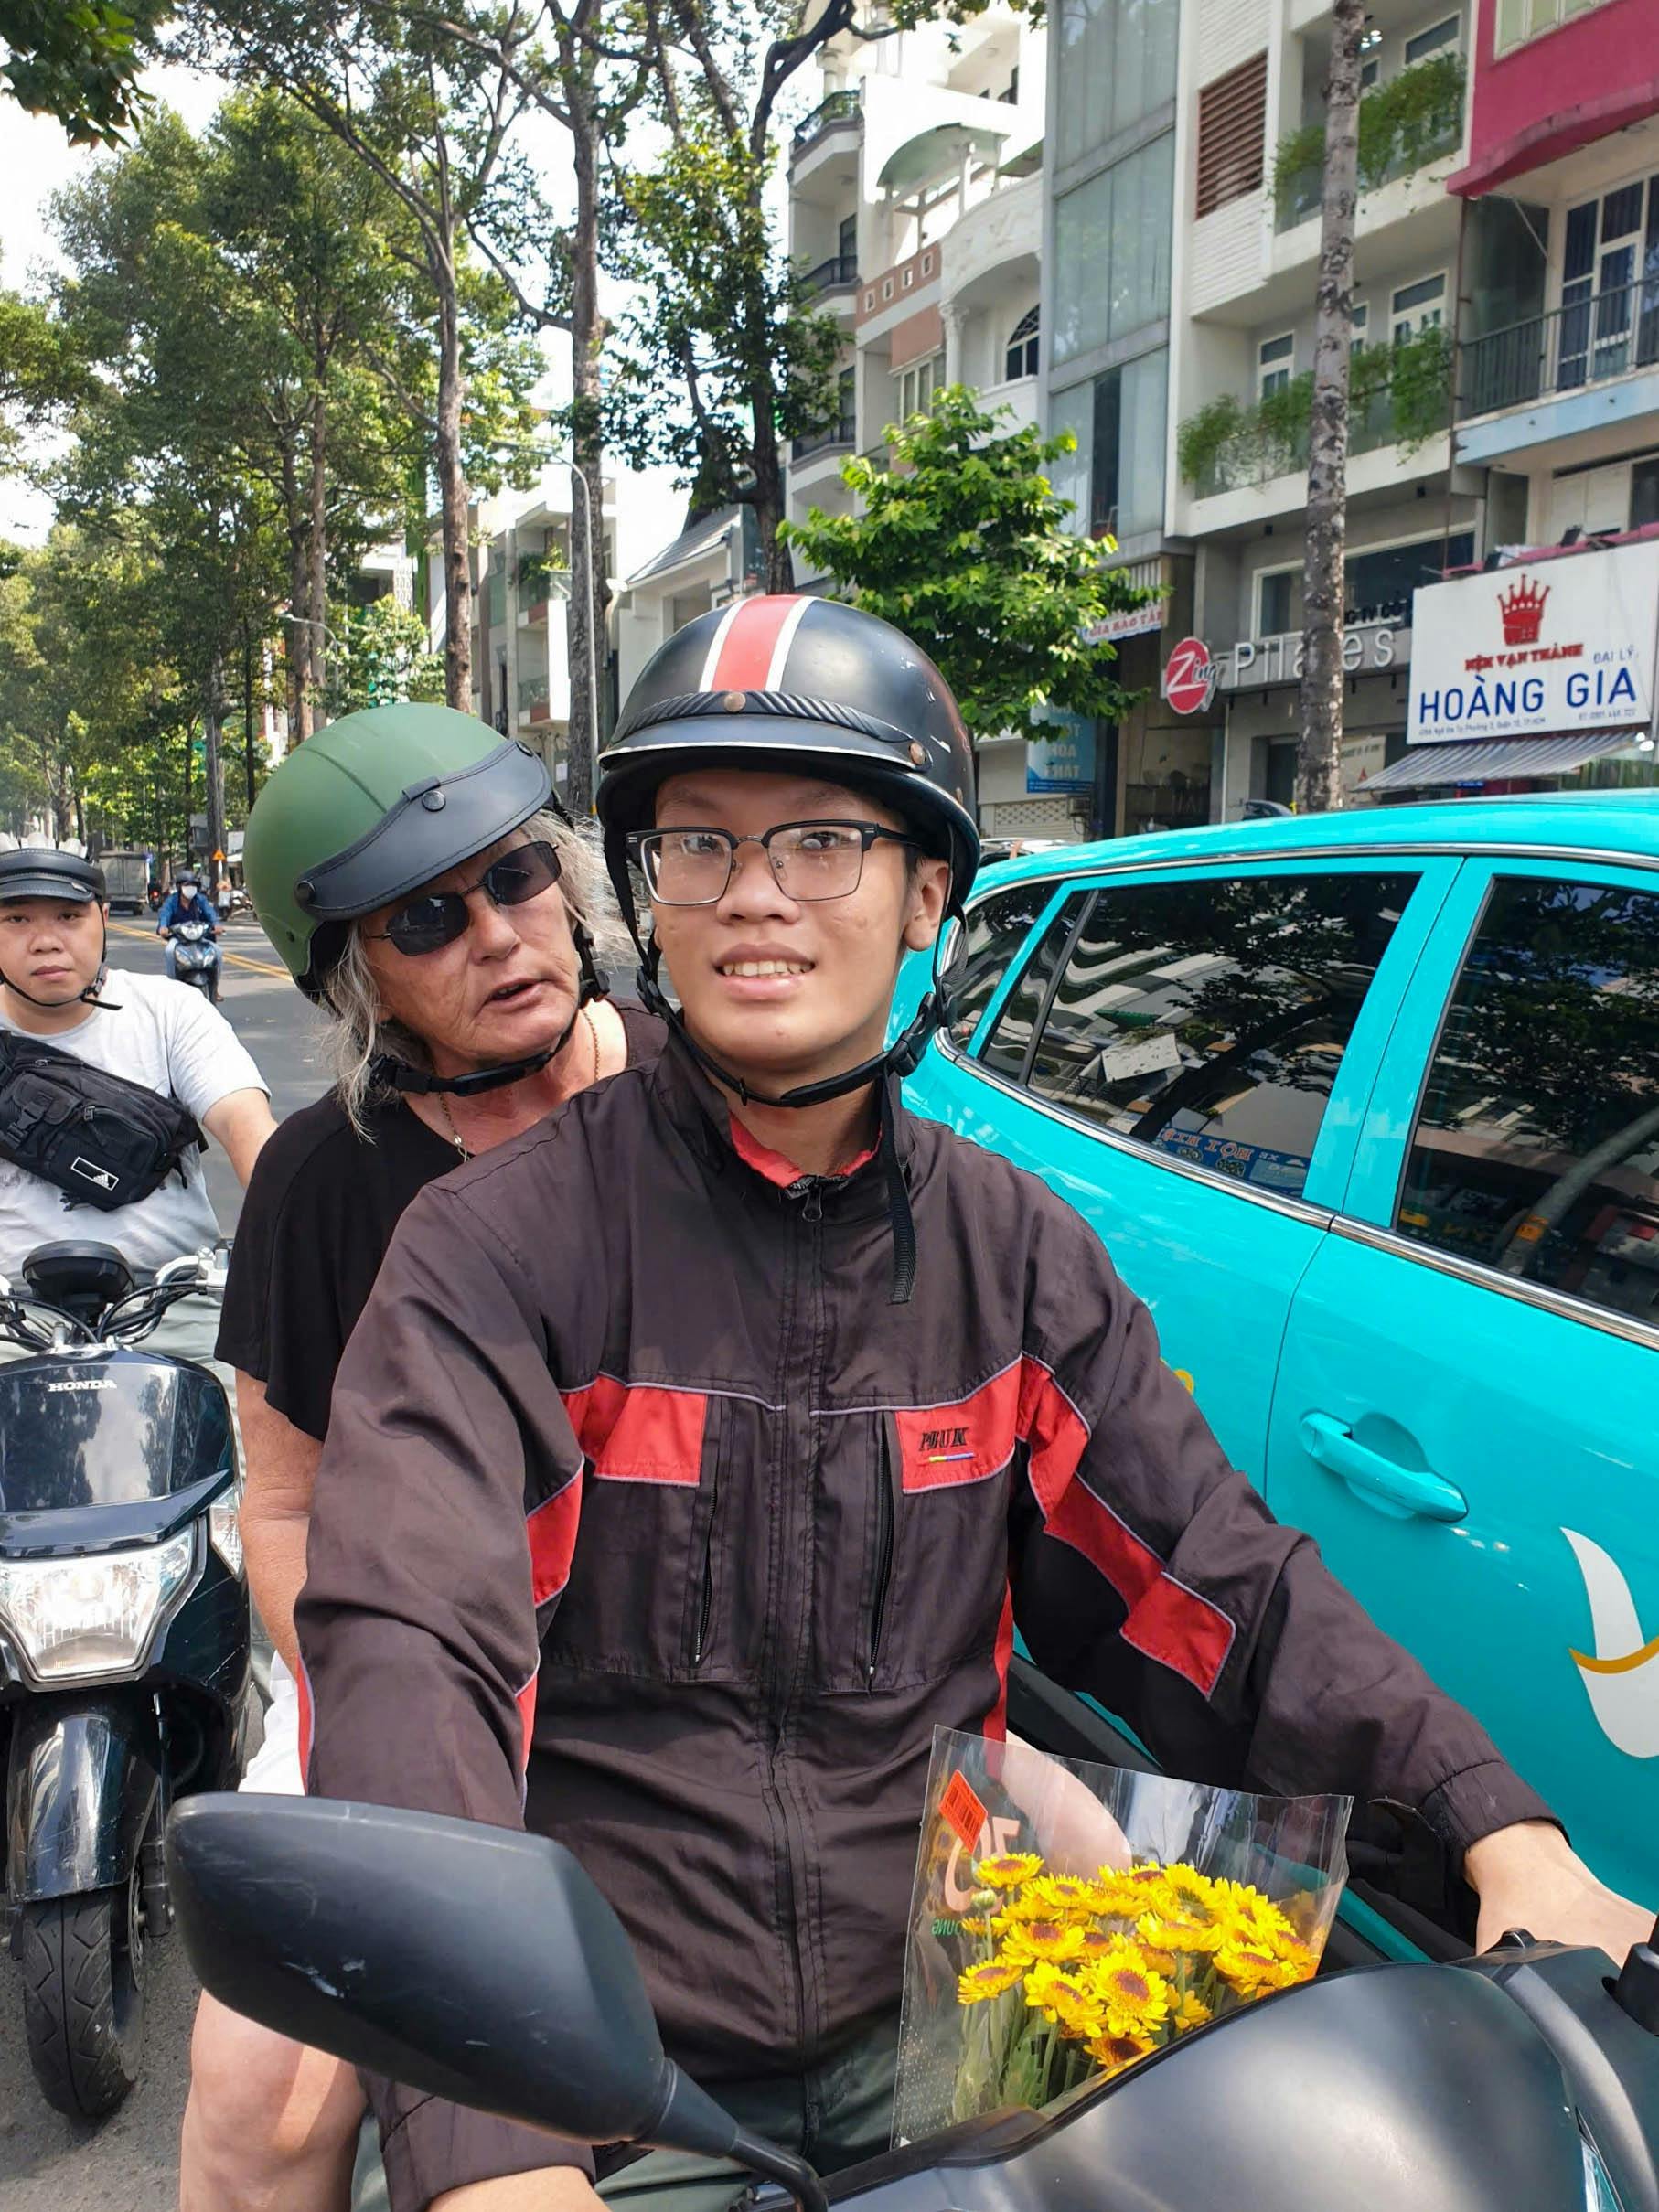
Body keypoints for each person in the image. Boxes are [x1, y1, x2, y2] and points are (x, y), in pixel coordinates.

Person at [289, 598, 1649, 2212]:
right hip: (604, 2073)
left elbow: (1216, 1583)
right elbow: (410, 1644)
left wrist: (1490, 1816)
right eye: (698, 848)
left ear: (929, 888)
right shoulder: (496, 1248)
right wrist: (485, 2140)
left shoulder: (1015, 1258)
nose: (753, 901)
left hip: (948, 2039)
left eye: (818, 842)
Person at [179, 705, 663, 2212]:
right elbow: (284, 1498)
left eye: (518, 878)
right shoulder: (324, 1180)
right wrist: (370, 1701)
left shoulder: (701, 1097)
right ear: (359, 975)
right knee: (261, 2100)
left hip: (691, 1653)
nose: (500, 933)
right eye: (429, 916)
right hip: (408, 1666)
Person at [0, 845, 273, 1298]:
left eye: (69, 917)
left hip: (175, 1302)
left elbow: (250, 1131)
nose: (45, 940)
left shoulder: (172, 1011)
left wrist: (305, 1243)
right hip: (13, 1319)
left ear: (103, 920)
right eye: (16, 920)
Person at [156, 870, 223, 992]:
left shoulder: (200, 900)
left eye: (193, 885)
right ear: (179, 887)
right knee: (169, 951)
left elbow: (210, 912)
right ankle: (173, 986)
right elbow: (165, 914)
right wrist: (163, 927)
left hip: (199, 937)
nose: (190, 888)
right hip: (179, 938)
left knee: (217, 952)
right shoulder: (172, 901)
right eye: (187, 885)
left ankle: (215, 987)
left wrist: (216, 925)